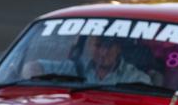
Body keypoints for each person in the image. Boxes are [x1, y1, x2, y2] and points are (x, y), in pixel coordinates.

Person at [22, 34, 154, 86]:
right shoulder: (74, 68)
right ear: (90, 46)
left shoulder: (135, 77)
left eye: (108, 47)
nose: (103, 53)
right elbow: (31, 67)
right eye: (98, 46)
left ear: (119, 49)